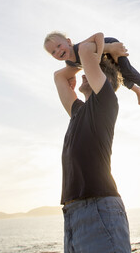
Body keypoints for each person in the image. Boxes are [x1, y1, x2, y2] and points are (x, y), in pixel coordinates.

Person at [53, 39, 132, 253]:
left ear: (103, 80)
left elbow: (86, 52)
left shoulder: (106, 102)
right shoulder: (78, 111)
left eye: (89, 71)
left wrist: (104, 50)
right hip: (72, 210)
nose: (83, 73)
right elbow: (59, 77)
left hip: (98, 207)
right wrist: (74, 67)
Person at [44, 30, 140, 106]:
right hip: (103, 59)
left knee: (125, 69)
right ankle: (137, 91)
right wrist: (72, 80)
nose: (58, 51)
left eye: (59, 46)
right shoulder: (69, 61)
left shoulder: (80, 47)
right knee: (119, 76)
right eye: (53, 52)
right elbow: (71, 68)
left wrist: (100, 54)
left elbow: (99, 35)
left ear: (68, 42)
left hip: (109, 44)